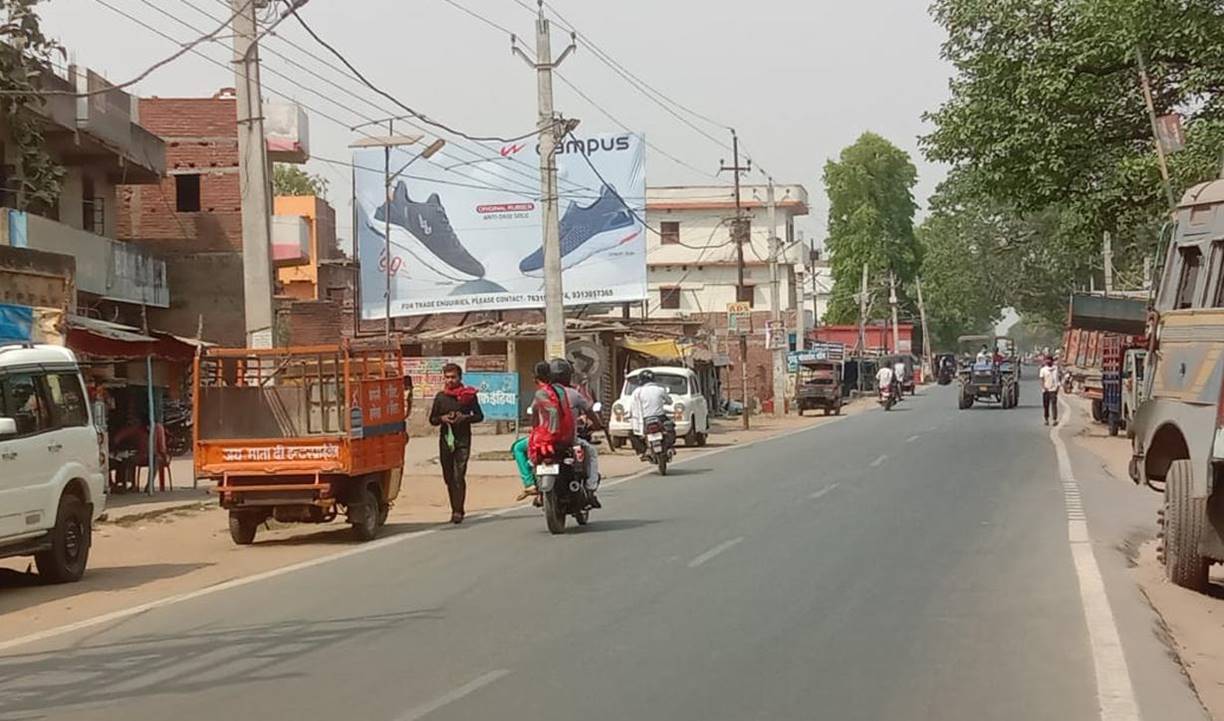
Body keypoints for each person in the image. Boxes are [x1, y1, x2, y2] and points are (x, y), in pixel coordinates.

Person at [428, 363, 483, 524]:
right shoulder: (440, 397)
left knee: (459, 475)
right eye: (447, 377)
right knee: (448, 477)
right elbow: (433, 419)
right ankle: (455, 506)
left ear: (460, 378)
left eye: (453, 377)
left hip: (463, 440)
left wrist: (464, 418)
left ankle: (458, 511)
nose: (450, 380)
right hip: (446, 440)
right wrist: (443, 419)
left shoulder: (468, 396)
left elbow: (479, 416)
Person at [550, 357, 603, 509]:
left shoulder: (543, 393)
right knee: (591, 452)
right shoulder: (574, 394)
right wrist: (598, 424)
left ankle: (533, 486)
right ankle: (591, 489)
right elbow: (590, 411)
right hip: (568, 440)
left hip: (546, 441)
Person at [511, 362, 555, 501]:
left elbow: (542, 414)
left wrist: (548, 431)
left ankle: (529, 483)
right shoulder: (563, 391)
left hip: (547, 436)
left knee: (518, 447)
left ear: (535, 378)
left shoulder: (541, 393)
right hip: (563, 435)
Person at [627, 369, 672, 458]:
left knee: (631, 434)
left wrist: (629, 415)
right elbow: (670, 401)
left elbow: (632, 406)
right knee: (671, 428)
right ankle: (669, 447)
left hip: (644, 420)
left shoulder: (637, 392)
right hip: (660, 418)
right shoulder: (660, 390)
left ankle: (643, 451)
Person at [1040, 355, 1062, 425]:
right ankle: (1046, 419)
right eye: (1047, 360)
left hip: (1054, 389)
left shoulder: (1056, 369)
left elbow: (1059, 377)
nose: (1048, 361)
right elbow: (1041, 379)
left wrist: (1058, 386)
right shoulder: (1043, 370)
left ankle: (1054, 419)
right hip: (1046, 390)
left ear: (1052, 361)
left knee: (1054, 405)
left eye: (1049, 360)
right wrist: (1044, 387)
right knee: (1046, 405)